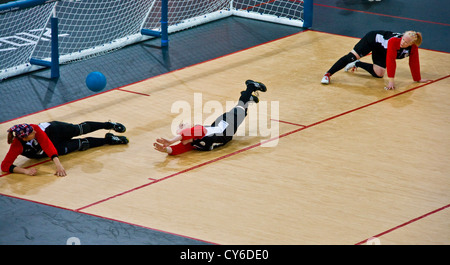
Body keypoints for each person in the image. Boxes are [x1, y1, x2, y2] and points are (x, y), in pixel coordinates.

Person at [153, 80, 267, 155]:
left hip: (226, 125)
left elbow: (185, 134)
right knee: (241, 110)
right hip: (221, 128)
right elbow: (175, 150)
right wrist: (165, 149)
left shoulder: (199, 131)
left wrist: (171, 140)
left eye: (181, 137)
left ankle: (250, 87)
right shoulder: (191, 144)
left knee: (241, 108)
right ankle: (247, 98)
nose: (182, 140)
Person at [1, 121, 129, 176]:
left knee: (78, 129)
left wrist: (58, 165)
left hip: (54, 131)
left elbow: (47, 145)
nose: (34, 130)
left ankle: (109, 125)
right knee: (81, 144)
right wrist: (25, 171)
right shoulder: (17, 145)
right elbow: (5, 166)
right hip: (47, 150)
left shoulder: (35, 128)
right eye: (31, 132)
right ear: (24, 138)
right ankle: (109, 140)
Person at [321, 30, 430, 89]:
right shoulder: (394, 42)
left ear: (411, 44)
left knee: (379, 74)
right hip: (372, 40)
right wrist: (391, 81)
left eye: (406, 42)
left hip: (382, 50)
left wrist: (417, 78)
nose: (402, 42)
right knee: (351, 56)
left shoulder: (413, 48)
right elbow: (391, 61)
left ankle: (357, 64)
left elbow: (414, 62)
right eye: (402, 39)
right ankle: (328, 74)